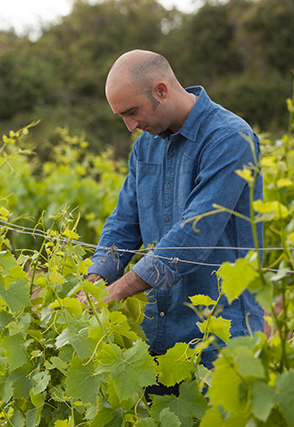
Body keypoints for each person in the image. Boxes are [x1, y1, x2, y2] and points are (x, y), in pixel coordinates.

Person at [86, 50, 264, 376]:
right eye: (121, 117)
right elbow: (124, 222)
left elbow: (194, 233)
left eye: (132, 112)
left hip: (221, 335)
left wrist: (118, 291)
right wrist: (95, 281)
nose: (130, 126)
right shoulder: (146, 145)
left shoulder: (229, 138)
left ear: (161, 90)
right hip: (160, 331)